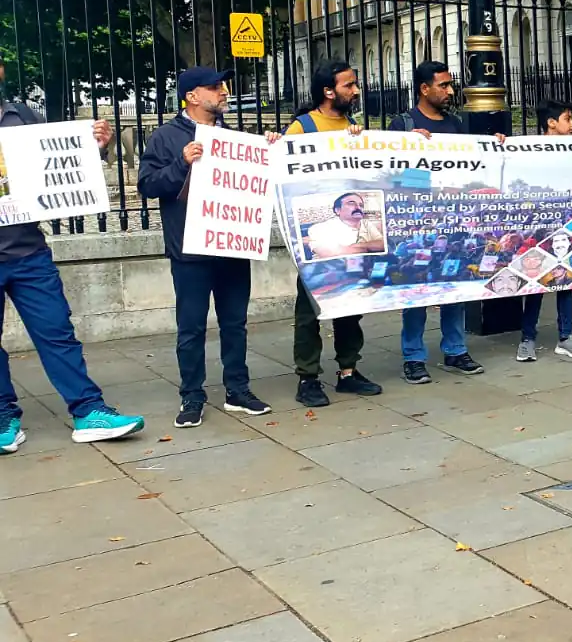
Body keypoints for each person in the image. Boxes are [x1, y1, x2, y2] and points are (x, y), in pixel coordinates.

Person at [0, 97, 144, 454]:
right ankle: (3, 418)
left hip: (28, 252)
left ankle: (87, 411)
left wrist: (92, 147)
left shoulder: (20, 115)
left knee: (57, 332)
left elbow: (54, 165)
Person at [137, 66, 272, 427]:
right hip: (191, 250)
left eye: (223, 85)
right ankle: (192, 396)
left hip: (231, 247)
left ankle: (237, 389)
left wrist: (268, 152)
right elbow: (148, 185)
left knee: (235, 323)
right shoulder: (166, 137)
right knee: (192, 326)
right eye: (214, 87)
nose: (224, 91)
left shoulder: (234, 138)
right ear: (192, 96)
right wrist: (182, 163)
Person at [284, 60, 382, 408]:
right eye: (349, 85)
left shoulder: (351, 125)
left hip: (350, 242)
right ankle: (307, 377)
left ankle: (348, 372)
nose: (355, 91)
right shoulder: (303, 126)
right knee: (310, 310)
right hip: (321, 243)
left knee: (349, 304)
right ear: (329, 91)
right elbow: (284, 170)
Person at [389, 60, 485, 383]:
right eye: (443, 85)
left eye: (450, 85)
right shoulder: (402, 125)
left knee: (453, 285)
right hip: (418, 222)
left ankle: (455, 349)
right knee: (416, 287)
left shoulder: (456, 124)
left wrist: (493, 146)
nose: (449, 91)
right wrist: (408, 147)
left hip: (453, 217)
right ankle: (413, 357)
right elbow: (391, 175)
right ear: (424, 89)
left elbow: (471, 166)